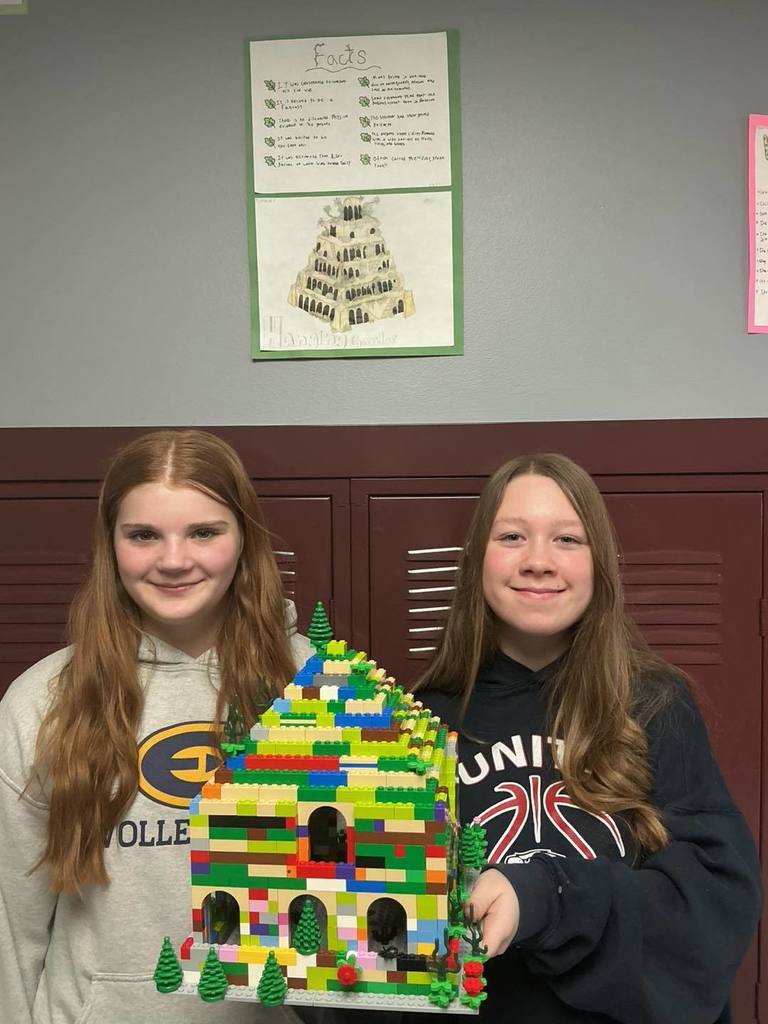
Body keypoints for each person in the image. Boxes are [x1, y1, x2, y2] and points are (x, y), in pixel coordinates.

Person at [411, 453, 761, 1024]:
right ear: (477, 560)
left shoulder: (658, 703)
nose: (539, 562)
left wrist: (546, 896)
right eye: (513, 536)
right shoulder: (419, 720)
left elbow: (713, 900)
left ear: (601, 563)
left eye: (568, 539)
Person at [0, 430, 313, 1024]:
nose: (173, 560)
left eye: (204, 532)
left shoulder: (313, 684)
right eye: (143, 535)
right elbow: (10, 929)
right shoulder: (40, 701)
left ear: (243, 539)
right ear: (111, 544)